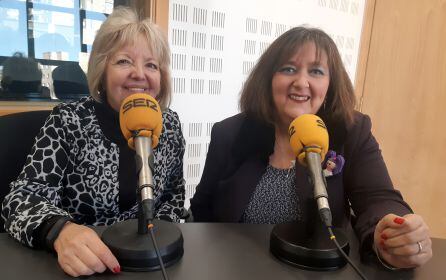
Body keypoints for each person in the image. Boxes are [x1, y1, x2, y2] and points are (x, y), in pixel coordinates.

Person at [190, 26, 432, 269]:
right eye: (288, 69)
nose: (301, 82)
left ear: (330, 85)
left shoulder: (351, 130)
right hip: (237, 267)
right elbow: (202, 211)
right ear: (269, 80)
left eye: (316, 71)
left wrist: (392, 230)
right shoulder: (229, 133)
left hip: (315, 272)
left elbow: (378, 198)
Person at [1, 7, 185, 277]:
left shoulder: (168, 125)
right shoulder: (68, 121)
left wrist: (158, 241)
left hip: (148, 265)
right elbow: (19, 200)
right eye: (124, 61)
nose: (139, 74)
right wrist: (60, 231)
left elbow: (173, 197)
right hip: (81, 268)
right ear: (102, 69)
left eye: (151, 64)